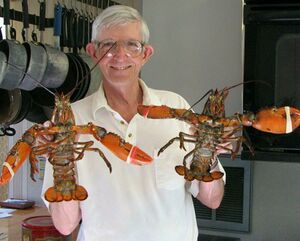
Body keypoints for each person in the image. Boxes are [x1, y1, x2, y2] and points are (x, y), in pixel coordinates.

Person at [42, 5, 225, 241]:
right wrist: (59, 161)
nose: (120, 55)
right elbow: (66, 226)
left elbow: (212, 200)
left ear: (145, 54)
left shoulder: (177, 108)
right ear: (93, 52)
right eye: (108, 44)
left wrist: (208, 156)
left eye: (132, 45)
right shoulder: (70, 121)